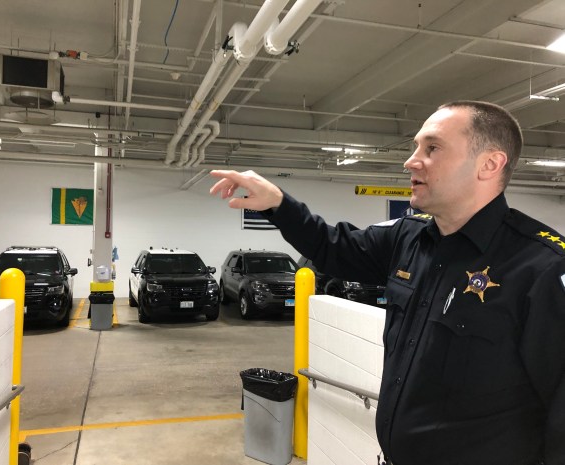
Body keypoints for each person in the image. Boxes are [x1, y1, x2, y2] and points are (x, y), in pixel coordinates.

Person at [210, 101, 565, 465]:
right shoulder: (408, 239)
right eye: (415, 147)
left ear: (489, 164)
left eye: (432, 148)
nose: (411, 161)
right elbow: (332, 247)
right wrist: (279, 205)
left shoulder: (542, 268)